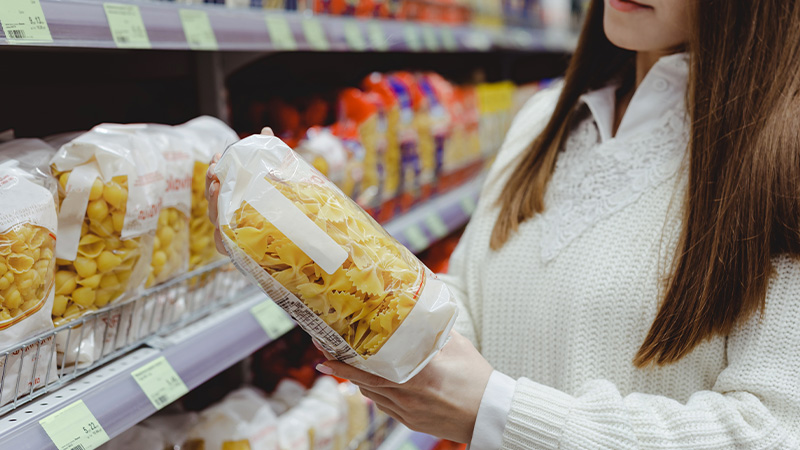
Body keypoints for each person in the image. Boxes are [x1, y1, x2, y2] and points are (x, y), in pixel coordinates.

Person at [206, 0, 800, 447]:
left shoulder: (780, 158)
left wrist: (499, 412)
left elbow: (774, 428)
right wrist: (299, 240)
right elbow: (464, 309)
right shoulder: (545, 120)